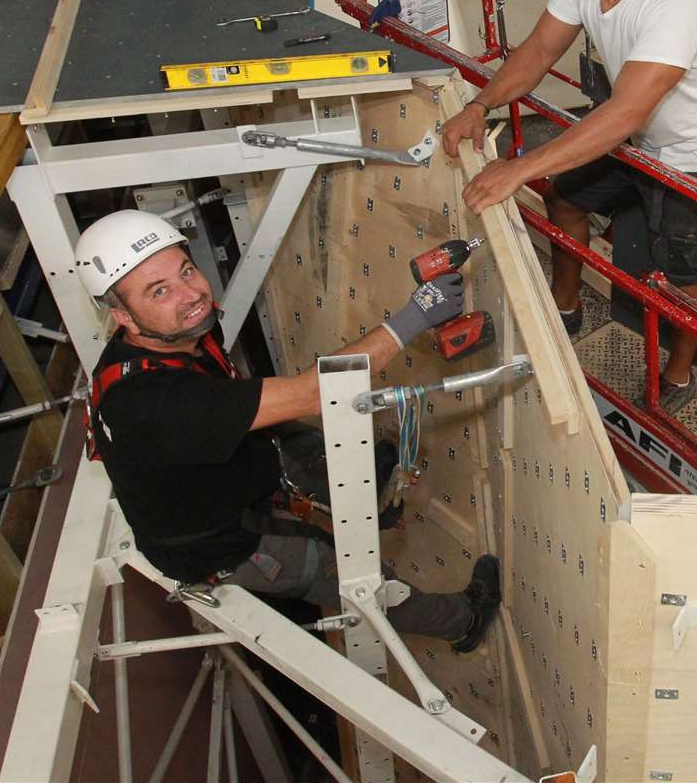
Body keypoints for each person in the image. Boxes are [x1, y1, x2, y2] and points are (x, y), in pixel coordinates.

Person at [74, 210, 500, 652]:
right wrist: (411, 320)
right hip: (226, 543)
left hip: (229, 473)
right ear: (121, 315)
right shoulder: (153, 402)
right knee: (349, 575)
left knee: (302, 442)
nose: (191, 295)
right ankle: (462, 621)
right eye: (159, 291)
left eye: (186, 271)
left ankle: (368, 492)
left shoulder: (170, 334)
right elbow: (314, 393)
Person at [443, 0, 697, 416]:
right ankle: (568, 302)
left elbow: (625, 111)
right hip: (635, 141)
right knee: (564, 197)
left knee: (681, 274)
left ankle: (679, 377)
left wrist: (520, 167)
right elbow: (538, 50)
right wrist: (481, 103)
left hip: (693, 155)